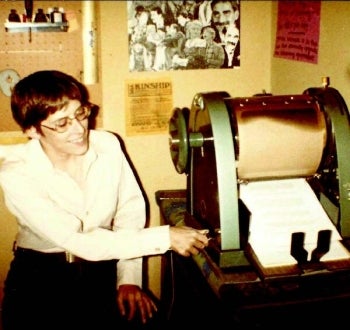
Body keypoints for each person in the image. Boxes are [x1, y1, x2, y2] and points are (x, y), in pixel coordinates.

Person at [0, 70, 209, 330]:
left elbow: (129, 211)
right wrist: (164, 237)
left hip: (102, 268)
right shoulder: (16, 173)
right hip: (41, 275)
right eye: (62, 123)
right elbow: (77, 240)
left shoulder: (107, 145)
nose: (79, 129)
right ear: (32, 130)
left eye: (80, 113)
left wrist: (128, 278)